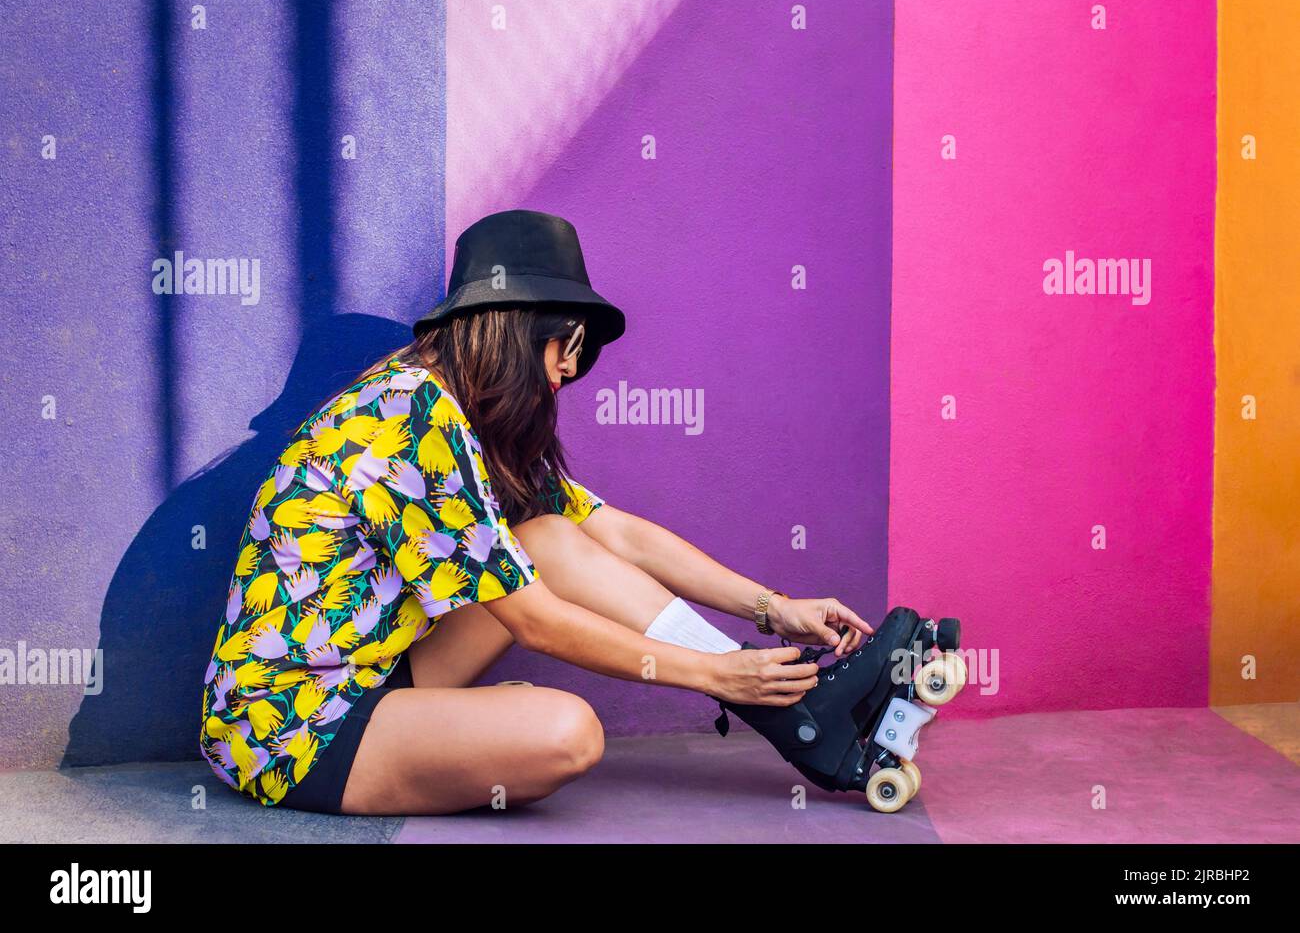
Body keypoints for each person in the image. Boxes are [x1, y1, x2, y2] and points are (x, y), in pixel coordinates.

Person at [199, 209, 873, 815]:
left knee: (549, 536)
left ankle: (793, 711)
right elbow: (534, 621)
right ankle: (771, 699)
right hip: (289, 727)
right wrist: (712, 677)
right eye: (565, 345)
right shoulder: (408, 412)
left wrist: (772, 607)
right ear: (517, 329)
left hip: (377, 670)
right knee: (567, 735)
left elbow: (614, 534)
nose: (570, 371)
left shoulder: (458, 413)